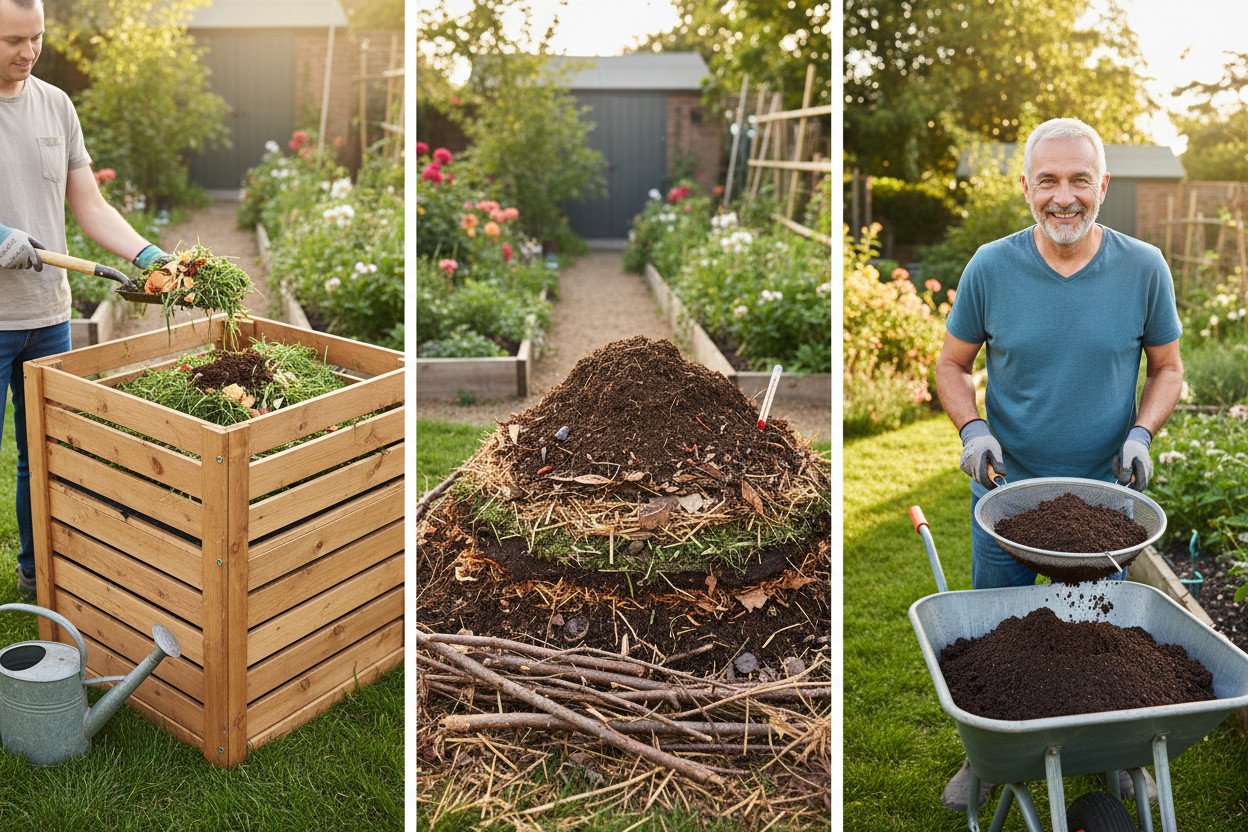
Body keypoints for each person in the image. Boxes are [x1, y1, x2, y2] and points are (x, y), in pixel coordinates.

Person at [933, 117, 1183, 811]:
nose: (1064, 196)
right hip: (1007, 497)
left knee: (1100, 639)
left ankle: (1116, 752)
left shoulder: (1143, 268)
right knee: (998, 641)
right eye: (1049, 180)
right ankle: (989, 754)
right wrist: (973, 428)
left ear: (1103, 185)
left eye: (1080, 180)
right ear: (1026, 188)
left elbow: (1168, 370)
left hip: (1101, 508)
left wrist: (1141, 433)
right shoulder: (991, 266)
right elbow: (952, 366)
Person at [0, 0, 170, 596]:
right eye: (12, 40)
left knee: (43, 457)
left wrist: (145, 253)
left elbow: (89, 203)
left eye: (37, 37)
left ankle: (36, 571)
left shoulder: (55, 104)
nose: (27, 52)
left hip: (49, 315)